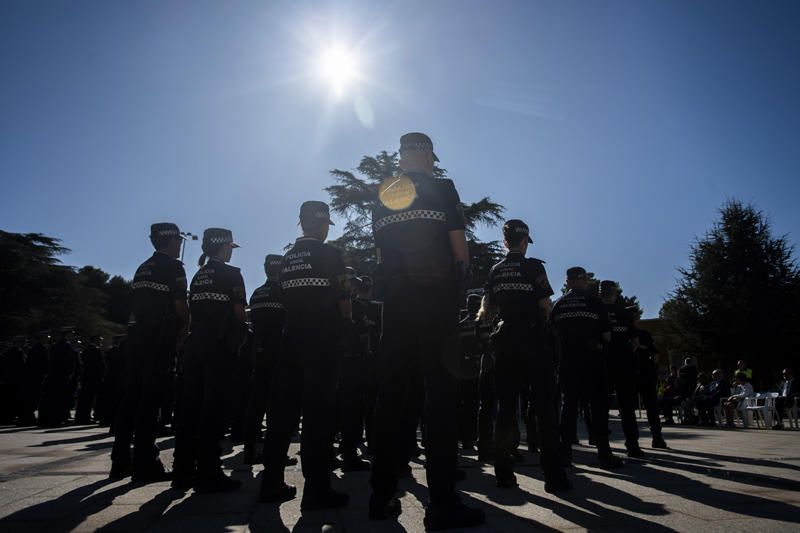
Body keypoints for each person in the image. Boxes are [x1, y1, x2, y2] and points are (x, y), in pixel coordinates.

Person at [368, 133, 485, 529]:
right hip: (434, 304)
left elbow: (381, 255)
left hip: (396, 307)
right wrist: (461, 286)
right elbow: (458, 245)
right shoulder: (441, 188)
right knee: (440, 401)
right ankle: (442, 503)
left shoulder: (383, 191)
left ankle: (380, 496)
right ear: (426, 155)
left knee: (390, 400)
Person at [260, 201, 352, 510]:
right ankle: (317, 490)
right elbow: (344, 301)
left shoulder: (286, 260)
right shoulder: (331, 255)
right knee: (318, 417)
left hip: (291, 341)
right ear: (324, 224)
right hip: (322, 343)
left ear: (301, 224)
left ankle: (271, 482)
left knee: (282, 415)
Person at [484, 219, 571, 492]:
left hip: (505, 342)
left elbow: (487, 309)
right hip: (533, 341)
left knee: (506, 410)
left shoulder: (495, 270)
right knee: (544, 410)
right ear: (524, 242)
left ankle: (503, 473)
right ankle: (554, 477)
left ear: (505, 241)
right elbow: (545, 306)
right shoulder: (534, 267)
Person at [109, 224, 188, 482]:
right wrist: (183, 332)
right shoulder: (174, 267)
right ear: (169, 240)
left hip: (137, 337)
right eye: (178, 240)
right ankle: (146, 462)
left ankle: (120, 459)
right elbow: (179, 305)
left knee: (131, 397)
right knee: (150, 399)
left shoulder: (143, 267)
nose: (180, 244)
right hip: (159, 338)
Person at [172, 227, 247, 492]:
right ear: (222, 247)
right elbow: (239, 313)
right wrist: (240, 338)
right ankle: (208, 471)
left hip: (196, 345)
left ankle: (182, 469)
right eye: (229, 247)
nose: (231, 252)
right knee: (213, 409)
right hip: (218, 347)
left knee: (190, 408)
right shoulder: (231, 274)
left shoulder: (199, 274)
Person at [551, 266, 623, 469]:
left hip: (567, 361)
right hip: (593, 360)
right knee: (598, 407)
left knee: (568, 406)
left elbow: (552, 334)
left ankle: (565, 453)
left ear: (568, 282)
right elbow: (607, 334)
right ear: (583, 280)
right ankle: (604, 454)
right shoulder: (595, 302)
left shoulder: (559, 304)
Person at [242, 254, 286, 464]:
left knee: (256, 404)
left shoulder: (257, 294)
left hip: (258, 353)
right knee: (278, 406)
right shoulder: (283, 292)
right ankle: (274, 453)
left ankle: (250, 449)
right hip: (279, 354)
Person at [600, 281, 644, 458]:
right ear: (615, 294)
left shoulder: (597, 311)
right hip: (624, 363)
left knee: (600, 406)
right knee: (627, 407)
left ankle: (603, 446)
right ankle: (632, 444)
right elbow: (635, 342)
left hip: (604, 362)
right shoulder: (625, 313)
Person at [633, 328, 668, 448]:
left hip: (629, 373)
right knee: (652, 407)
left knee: (627, 410)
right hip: (646, 373)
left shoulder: (622, 331)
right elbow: (656, 354)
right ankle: (657, 437)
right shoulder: (644, 333)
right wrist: (653, 367)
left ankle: (632, 443)